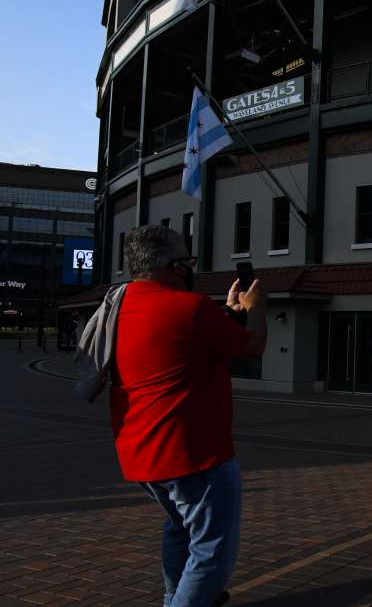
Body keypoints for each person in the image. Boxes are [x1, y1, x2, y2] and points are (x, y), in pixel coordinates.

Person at [110, 225, 267, 607]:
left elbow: (182, 343)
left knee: (179, 529)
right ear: (176, 266)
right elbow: (253, 347)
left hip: (140, 455)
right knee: (211, 553)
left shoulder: (117, 303)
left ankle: (173, 598)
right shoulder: (191, 308)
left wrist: (229, 313)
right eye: (188, 260)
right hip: (195, 455)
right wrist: (258, 306)